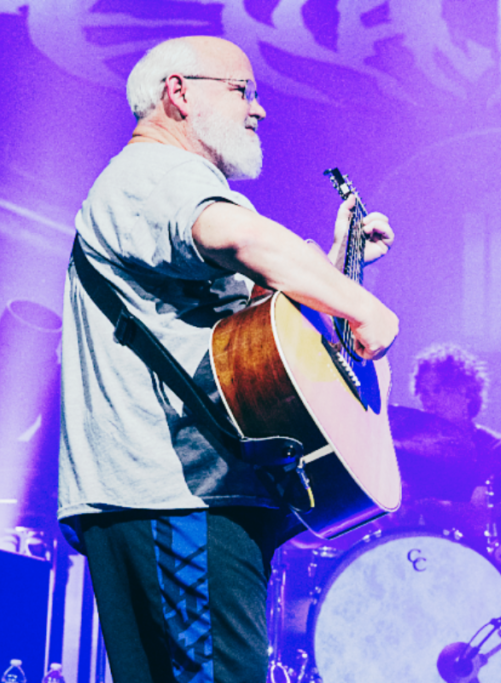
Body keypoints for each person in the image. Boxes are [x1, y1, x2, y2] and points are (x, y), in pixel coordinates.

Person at [57, 36, 398, 683]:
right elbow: (237, 235)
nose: (259, 110)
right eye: (242, 90)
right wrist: (358, 303)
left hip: (170, 498)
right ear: (178, 93)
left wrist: (333, 265)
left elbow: (254, 341)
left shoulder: (154, 190)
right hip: (177, 498)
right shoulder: (160, 173)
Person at [396, 343, 501, 515]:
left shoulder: (499, 450)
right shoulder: (410, 451)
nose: (429, 402)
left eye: (437, 390)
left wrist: (430, 506)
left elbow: (488, 519)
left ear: (466, 392)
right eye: (424, 393)